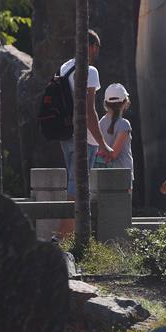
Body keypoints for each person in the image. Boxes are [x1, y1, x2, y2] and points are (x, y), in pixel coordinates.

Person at [58, 30, 113, 233]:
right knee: (77, 188)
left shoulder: (65, 67)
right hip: (84, 138)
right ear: (91, 46)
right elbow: (89, 111)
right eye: (97, 47)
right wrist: (102, 143)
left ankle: (68, 236)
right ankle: (61, 237)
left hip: (65, 134)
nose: (97, 51)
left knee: (73, 185)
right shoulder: (90, 71)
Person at [97, 83, 134, 192]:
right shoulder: (124, 124)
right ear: (125, 103)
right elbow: (113, 154)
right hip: (122, 175)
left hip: (104, 175)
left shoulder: (101, 122)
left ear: (105, 103)